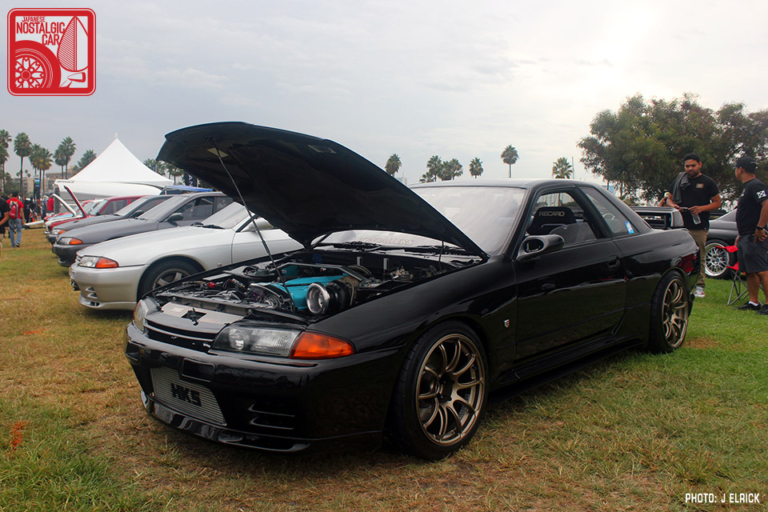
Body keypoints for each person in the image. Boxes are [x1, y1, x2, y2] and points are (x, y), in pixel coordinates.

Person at [659, 153, 722, 298]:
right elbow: (668, 199)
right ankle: (679, 283)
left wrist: (701, 209)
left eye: (693, 165)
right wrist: (674, 206)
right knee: (678, 255)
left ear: (700, 165)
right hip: (679, 224)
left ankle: (699, 286)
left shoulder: (708, 182)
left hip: (699, 225)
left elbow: (717, 203)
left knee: (700, 255)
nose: (690, 169)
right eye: (687, 166)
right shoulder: (679, 180)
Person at [732, 156, 768, 313]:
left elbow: (766, 204)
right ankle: (753, 302)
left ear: (740, 169)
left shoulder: (756, 185)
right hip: (745, 234)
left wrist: (760, 227)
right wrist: (741, 233)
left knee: (762, 270)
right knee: (750, 270)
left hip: (755, 235)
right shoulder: (747, 187)